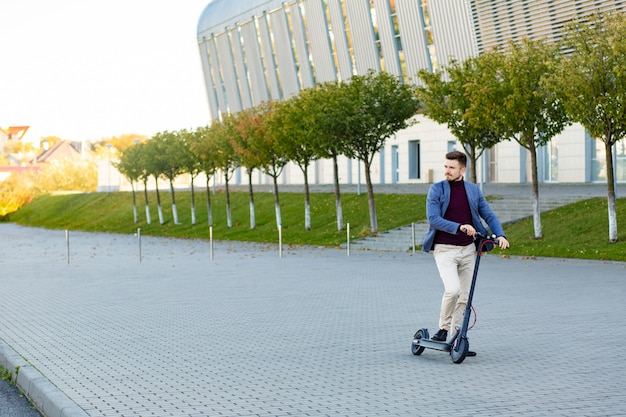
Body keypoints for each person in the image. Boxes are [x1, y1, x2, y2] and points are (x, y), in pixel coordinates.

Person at [422, 151, 509, 352]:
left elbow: (489, 214)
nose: (446, 171)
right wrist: (459, 226)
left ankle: (458, 337)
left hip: (468, 250)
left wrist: (500, 235)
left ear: (463, 170)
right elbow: (433, 219)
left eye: (451, 168)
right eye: (445, 167)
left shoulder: (473, 190)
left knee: (465, 296)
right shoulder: (437, 190)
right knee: (453, 290)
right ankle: (443, 329)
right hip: (445, 250)